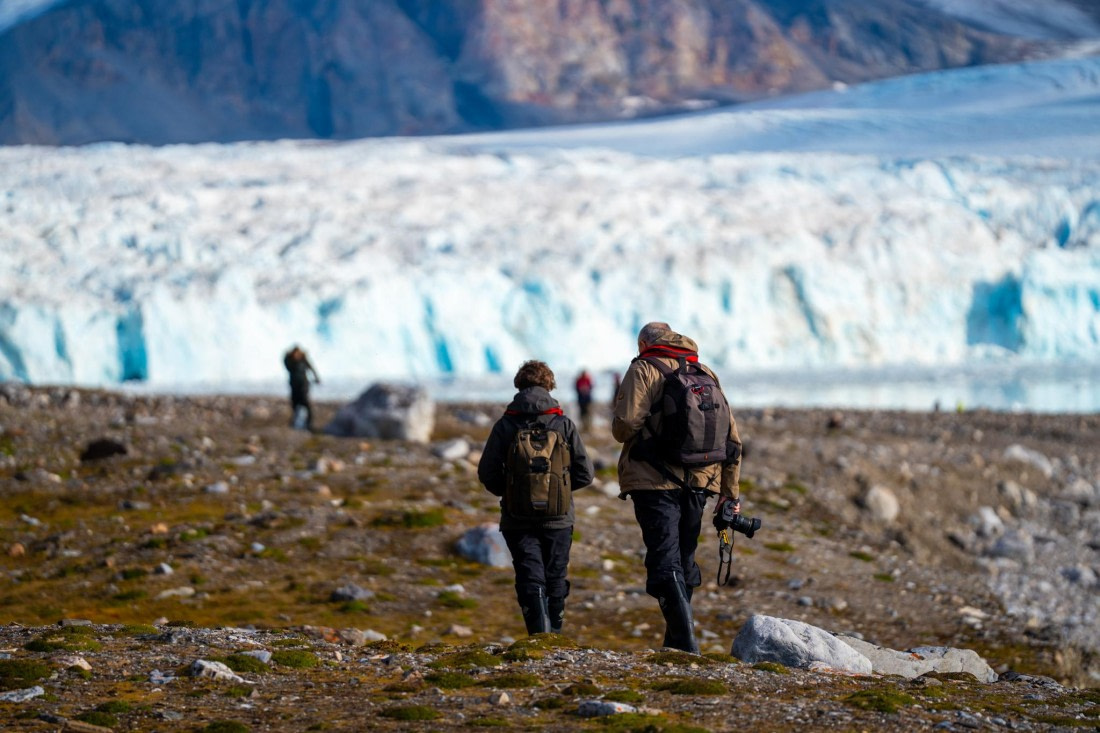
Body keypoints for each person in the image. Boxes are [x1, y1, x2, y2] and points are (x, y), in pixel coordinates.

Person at [612, 322, 742, 653]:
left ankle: (688, 647)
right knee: (684, 558)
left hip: (653, 480)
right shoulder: (704, 370)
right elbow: (731, 438)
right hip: (702, 479)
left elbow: (625, 426)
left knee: (664, 559)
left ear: (644, 342)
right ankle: (677, 646)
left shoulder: (643, 368)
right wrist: (730, 492)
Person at [478, 360, 594, 636]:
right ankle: (553, 635)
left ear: (519, 385)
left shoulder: (505, 425)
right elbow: (585, 473)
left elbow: (487, 472)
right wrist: (560, 494)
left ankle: (537, 637)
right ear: (549, 385)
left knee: (530, 574)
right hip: (559, 517)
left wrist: (510, 493)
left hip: (517, 517)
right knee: (555, 575)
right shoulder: (563, 424)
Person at [283, 345, 320, 431]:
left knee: (305, 403)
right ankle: (295, 422)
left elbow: (312, 368)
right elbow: (286, 364)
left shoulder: (303, 360)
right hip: (294, 385)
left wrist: (317, 378)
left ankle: (309, 423)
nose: (297, 355)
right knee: (295, 403)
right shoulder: (290, 362)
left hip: (303, 384)